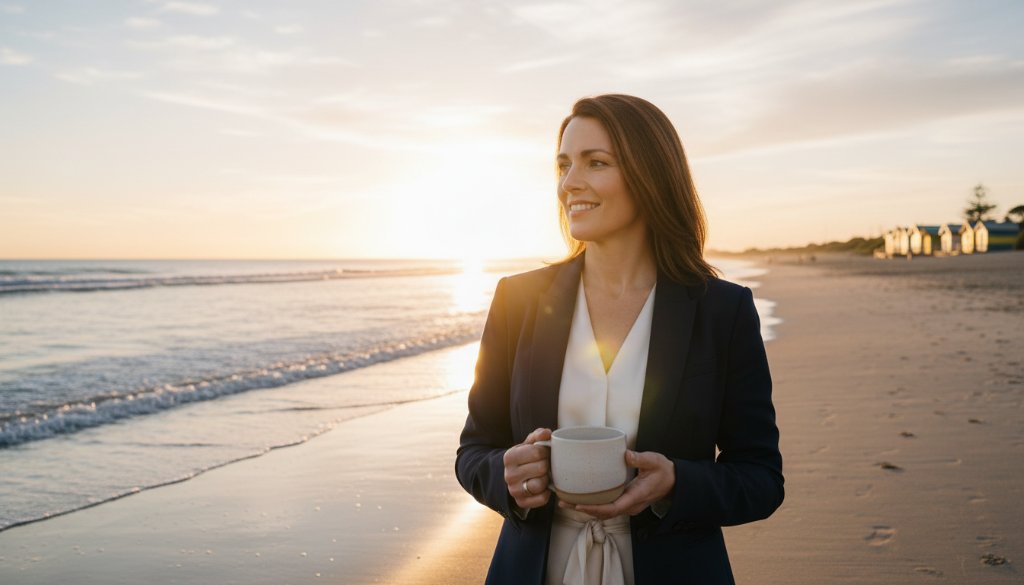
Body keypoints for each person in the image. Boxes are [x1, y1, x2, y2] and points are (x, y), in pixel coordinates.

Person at [456, 94, 783, 585]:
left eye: (596, 163)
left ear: (650, 175)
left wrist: (677, 482)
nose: (570, 183)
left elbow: (760, 478)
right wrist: (506, 472)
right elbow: (473, 451)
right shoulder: (517, 300)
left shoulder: (722, 310)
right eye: (564, 165)